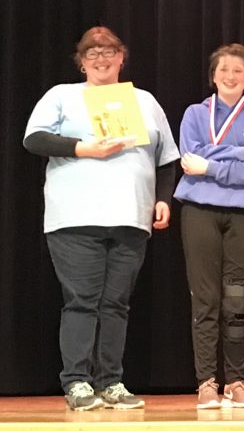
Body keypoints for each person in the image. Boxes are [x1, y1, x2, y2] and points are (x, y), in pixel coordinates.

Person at [23, 26, 179, 411]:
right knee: (81, 300)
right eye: (92, 54)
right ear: (81, 62)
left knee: (116, 304)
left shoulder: (143, 100)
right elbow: (34, 139)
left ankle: (111, 381)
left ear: (121, 58)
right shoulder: (62, 95)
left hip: (130, 216)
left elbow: (166, 158)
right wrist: (82, 148)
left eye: (109, 52)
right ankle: (77, 381)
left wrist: (162, 199)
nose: (101, 59)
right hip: (76, 216)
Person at [174, 43, 244, 409]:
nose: (230, 76)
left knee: (237, 300)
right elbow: (189, 155)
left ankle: (236, 379)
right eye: (224, 70)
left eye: (238, 71)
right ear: (213, 75)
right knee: (205, 300)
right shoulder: (194, 114)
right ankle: (206, 381)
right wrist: (240, 153)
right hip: (200, 211)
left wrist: (212, 166)